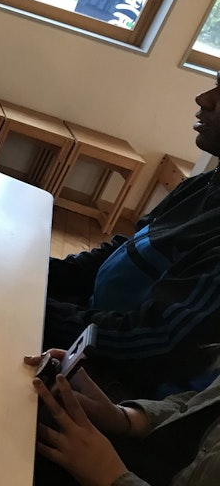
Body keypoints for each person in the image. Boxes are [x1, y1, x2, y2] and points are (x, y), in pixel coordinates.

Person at [43, 74, 220, 400]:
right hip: (84, 326)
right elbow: (124, 249)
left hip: (109, 384)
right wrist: (36, 276)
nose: (203, 99)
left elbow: (148, 339)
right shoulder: (204, 185)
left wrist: (41, 309)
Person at [25, 351, 220, 485]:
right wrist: (126, 418)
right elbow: (203, 398)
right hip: (155, 452)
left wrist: (112, 477)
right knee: (41, 410)